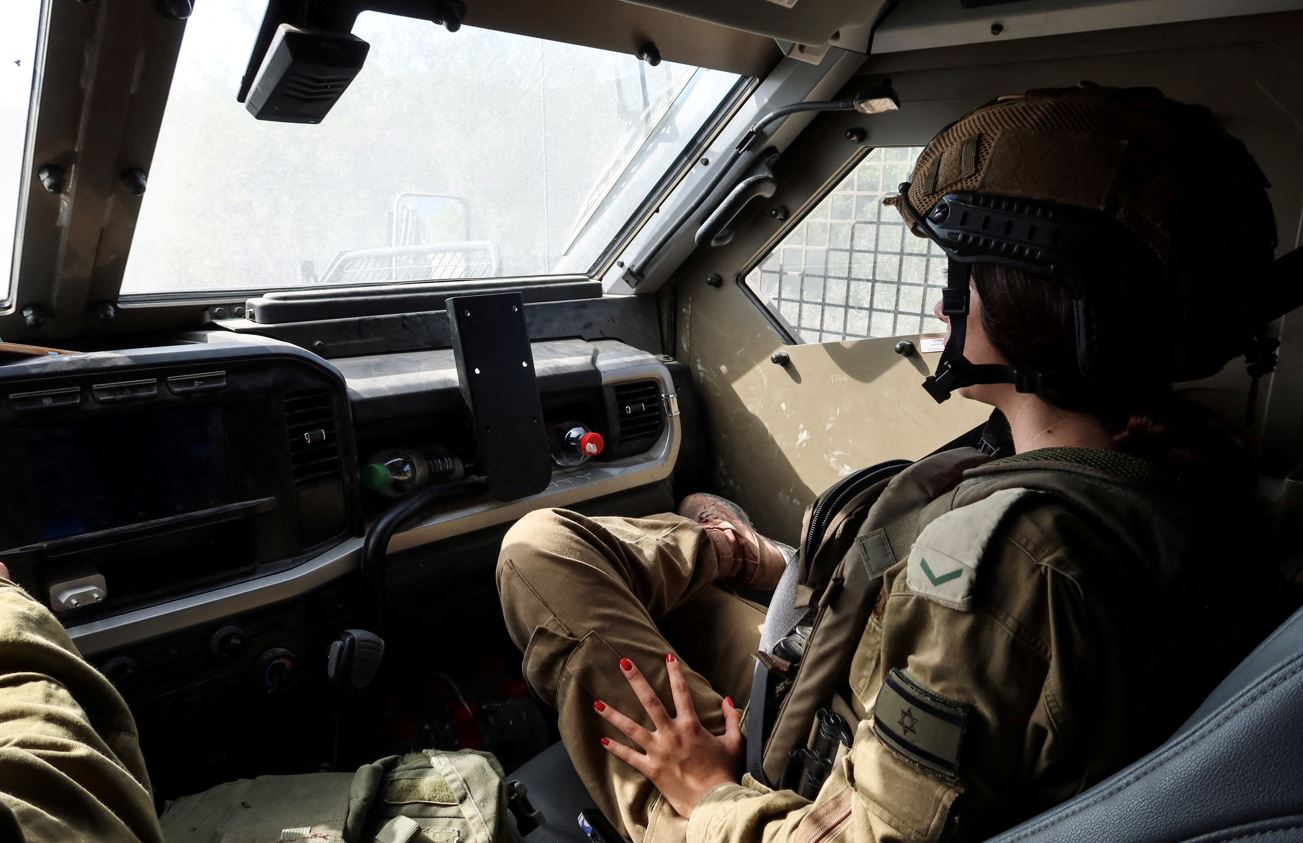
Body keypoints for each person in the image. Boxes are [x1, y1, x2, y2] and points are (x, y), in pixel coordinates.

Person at [496, 85, 1290, 842]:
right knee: (584, 549)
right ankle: (744, 555)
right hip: (839, 698)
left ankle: (734, 571)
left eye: (964, 273)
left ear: (1043, 300)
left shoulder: (999, 563)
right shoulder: (1183, 466)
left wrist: (707, 791)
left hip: (791, 796)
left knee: (539, 553)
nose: (943, 303)